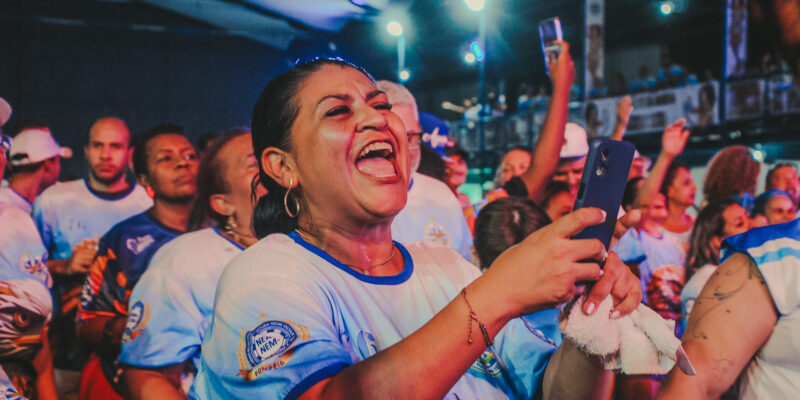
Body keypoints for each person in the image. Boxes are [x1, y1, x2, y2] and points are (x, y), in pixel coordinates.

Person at [193, 57, 641, 399]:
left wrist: (592, 320)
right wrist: (499, 292)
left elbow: (555, 393)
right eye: (338, 112)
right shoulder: (264, 278)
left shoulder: (445, 267)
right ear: (283, 166)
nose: (376, 119)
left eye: (380, 105)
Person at [119, 129, 263, 400]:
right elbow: (147, 373)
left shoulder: (322, 244)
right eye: (256, 163)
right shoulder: (186, 260)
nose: (275, 168)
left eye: (281, 156)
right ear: (222, 203)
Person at [76, 124, 198, 399]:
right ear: (144, 179)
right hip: (134, 385)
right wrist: (129, 329)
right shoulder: (123, 239)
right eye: (166, 158)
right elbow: (85, 326)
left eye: (190, 156)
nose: (182, 163)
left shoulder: (226, 233)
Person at [32, 117, 153, 395]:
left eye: (115, 146)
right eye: (98, 145)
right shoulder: (54, 200)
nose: (105, 155)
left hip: (129, 351)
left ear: (129, 153)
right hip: (62, 348)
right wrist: (65, 266)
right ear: (86, 150)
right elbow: (21, 271)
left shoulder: (146, 203)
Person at [376, 80, 473, 260]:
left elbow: (466, 263)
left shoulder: (442, 195)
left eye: (410, 137)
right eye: (390, 138)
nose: (402, 150)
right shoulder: (350, 205)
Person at [679, 198, 749, 334]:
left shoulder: (738, 276)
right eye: (740, 224)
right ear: (718, 240)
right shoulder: (704, 282)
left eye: (748, 219)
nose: (751, 227)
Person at [634, 119, 692, 245]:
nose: (658, 196)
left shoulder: (678, 242)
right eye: (686, 183)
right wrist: (666, 156)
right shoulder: (639, 237)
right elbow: (643, 205)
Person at [1, 128, 71, 213]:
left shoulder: (11, 203)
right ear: (48, 164)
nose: (59, 169)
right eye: (58, 160)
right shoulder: (11, 212)